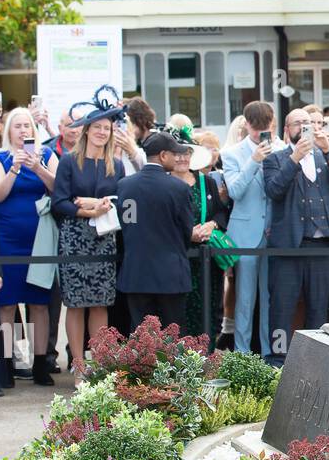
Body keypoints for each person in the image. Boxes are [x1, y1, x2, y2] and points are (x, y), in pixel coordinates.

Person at [264, 108, 329, 365]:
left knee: (318, 307)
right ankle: (276, 360)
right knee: (281, 307)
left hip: (323, 245)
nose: (304, 127)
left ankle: (317, 361)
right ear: (286, 130)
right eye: (297, 123)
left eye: (309, 123)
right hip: (288, 247)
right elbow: (274, 190)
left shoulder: (328, 156)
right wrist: (294, 158)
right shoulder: (275, 158)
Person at [0, 107, 59, 386]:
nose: (23, 130)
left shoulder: (48, 155)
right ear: (8, 131)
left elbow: (58, 189)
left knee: (39, 304)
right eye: (17, 126)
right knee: (6, 303)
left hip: (39, 239)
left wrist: (37, 168)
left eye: (27, 125)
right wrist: (16, 167)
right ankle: (6, 365)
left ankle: (40, 363)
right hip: (7, 239)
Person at [50, 100, 126, 372]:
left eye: (106, 128)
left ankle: (101, 364)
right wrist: (88, 211)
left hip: (104, 237)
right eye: (97, 127)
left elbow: (121, 201)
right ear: (86, 131)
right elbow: (58, 203)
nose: (102, 132)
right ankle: (79, 366)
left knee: (100, 302)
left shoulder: (115, 164)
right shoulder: (69, 161)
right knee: (76, 303)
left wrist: (94, 204)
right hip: (75, 237)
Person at [116, 132, 195, 331]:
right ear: (163, 156)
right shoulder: (178, 188)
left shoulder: (125, 186)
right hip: (171, 273)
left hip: (136, 272)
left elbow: (127, 225)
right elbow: (187, 230)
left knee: (141, 338)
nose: (178, 158)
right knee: (173, 336)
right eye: (174, 154)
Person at [222, 100, 277, 357]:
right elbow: (235, 191)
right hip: (244, 234)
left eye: (265, 127)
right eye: (256, 128)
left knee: (269, 299)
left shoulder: (283, 149)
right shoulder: (232, 153)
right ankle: (242, 356)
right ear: (246, 124)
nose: (260, 133)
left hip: (274, 233)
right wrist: (254, 160)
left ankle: (268, 355)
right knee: (244, 300)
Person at [170, 128, 229, 340]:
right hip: (178, 258)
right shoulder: (165, 183)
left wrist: (212, 224)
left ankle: (208, 356)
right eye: (177, 153)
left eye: (186, 152)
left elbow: (223, 212)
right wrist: (188, 233)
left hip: (207, 259)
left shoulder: (207, 182)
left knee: (210, 307)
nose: (182, 158)